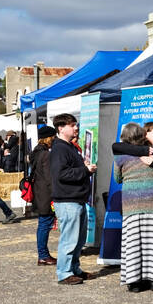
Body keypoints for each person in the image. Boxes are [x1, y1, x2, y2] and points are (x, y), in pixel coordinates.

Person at [112, 122, 153, 292]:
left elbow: (117, 178)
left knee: (133, 242)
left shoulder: (120, 157)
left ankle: (134, 282)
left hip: (132, 203)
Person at [49, 112, 95, 284]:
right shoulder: (60, 148)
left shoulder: (69, 147)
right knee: (69, 240)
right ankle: (64, 273)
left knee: (78, 240)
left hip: (76, 199)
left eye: (76, 124)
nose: (76, 128)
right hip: (68, 200)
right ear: (61, 128)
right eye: (72, 125)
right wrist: (85, 170)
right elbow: (61, 174)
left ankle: (74, 269)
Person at [28, 125, 57, 266]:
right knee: (45, 224)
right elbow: (49, 177)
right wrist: (55, 194)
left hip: (39, 192)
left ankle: (43, 254)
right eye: (53, 137)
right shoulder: (46, 154)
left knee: (43, 224)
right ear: (48, 138)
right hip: (45, 194)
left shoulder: (36, 152)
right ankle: (43, 255)